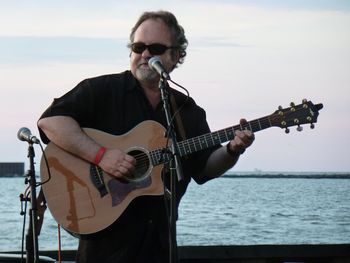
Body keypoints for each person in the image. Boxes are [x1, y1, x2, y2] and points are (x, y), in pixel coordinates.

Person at [38, 10, 255, 263]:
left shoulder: (187, 111)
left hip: (160, 248)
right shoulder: (103, 90)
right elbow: (51, 122)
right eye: (138, 47)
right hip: (104, 252)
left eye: (156, 48)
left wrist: (233, 150)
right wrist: (102, 155)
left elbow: (205, 167)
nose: (145, 54)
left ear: (176, 56)